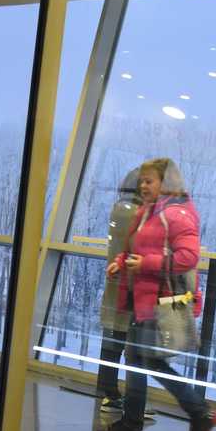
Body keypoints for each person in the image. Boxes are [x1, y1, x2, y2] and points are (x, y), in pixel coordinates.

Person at [95, 158, 216, 431]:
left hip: (160, 302)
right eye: (142, 180)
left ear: (167, 183)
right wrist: (121, 262)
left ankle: (197, 412)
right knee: (139, 362)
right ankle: (134, 423)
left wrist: (145, 264)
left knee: (147, 361)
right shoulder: (149, 212)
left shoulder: (177, 215)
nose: (143, 185)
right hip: (143, 299)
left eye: (149, 180)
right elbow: (135, 250)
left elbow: (188, 258)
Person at [94, 168, 143, 415]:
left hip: (116, 282)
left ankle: (108, 390)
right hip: (126, 284)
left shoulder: (120, 208)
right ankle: (111, 393)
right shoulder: (133, 213)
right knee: (121, 342)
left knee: (113, 338)